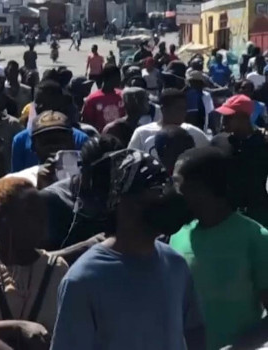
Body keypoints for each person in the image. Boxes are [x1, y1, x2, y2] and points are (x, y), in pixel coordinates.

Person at [50, 148, 205, 350]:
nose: (163, 202)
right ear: (124, 204)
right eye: (154, 194)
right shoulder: (83, 280)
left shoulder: (175, 264)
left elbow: (194, 329)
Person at [171, 147, 268, 350]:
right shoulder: (177, 234)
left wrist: (238, 347)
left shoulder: (256, 238)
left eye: (179, 185)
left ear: (205, 188)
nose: (173, 193)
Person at [0, 177, 69, 349]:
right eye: (31, 213)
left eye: (43, 212)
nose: (43, 220)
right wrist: (14, 328)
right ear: (4, 220)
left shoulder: (56, 268)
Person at [39, 135, 124, 253]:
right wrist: (85, 247)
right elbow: (36, 263)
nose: (107, 180)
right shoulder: (52, 200)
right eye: (101, 174)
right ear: (82, 169)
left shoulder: (123, 198)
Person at [211, 94, 268, 227]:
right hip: (227, 213)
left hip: (259, 213)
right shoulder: (219, 141)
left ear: (244, 117)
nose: (223, 121)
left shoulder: (263, 143)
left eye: (229, 117)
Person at [10, 79, 89, 172]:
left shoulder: (80, 139)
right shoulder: (20, 140)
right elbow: (17, 178)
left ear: (60, 103)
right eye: (37, 102)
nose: (40, 106)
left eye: (46, 102)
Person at [129, 88, 209, 157]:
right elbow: (132, 160)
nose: (184, 112)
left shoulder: (196, 134)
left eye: (185, 108)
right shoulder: (142, 133)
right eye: (179, 108)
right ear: (163, 109)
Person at [7, 110, 75, 188]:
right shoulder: (18, 183)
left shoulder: (85, 179)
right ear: (33, 146)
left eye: (60, 140)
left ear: (72, 143)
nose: (53, 147)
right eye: (46, 142)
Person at [81, 65, 125, 132]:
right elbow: (87, 122)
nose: (120, 80)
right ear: (106, 78)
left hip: (121, 137)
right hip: (101, 137)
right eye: (117, 77)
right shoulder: (92, 99)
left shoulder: (123, 95)